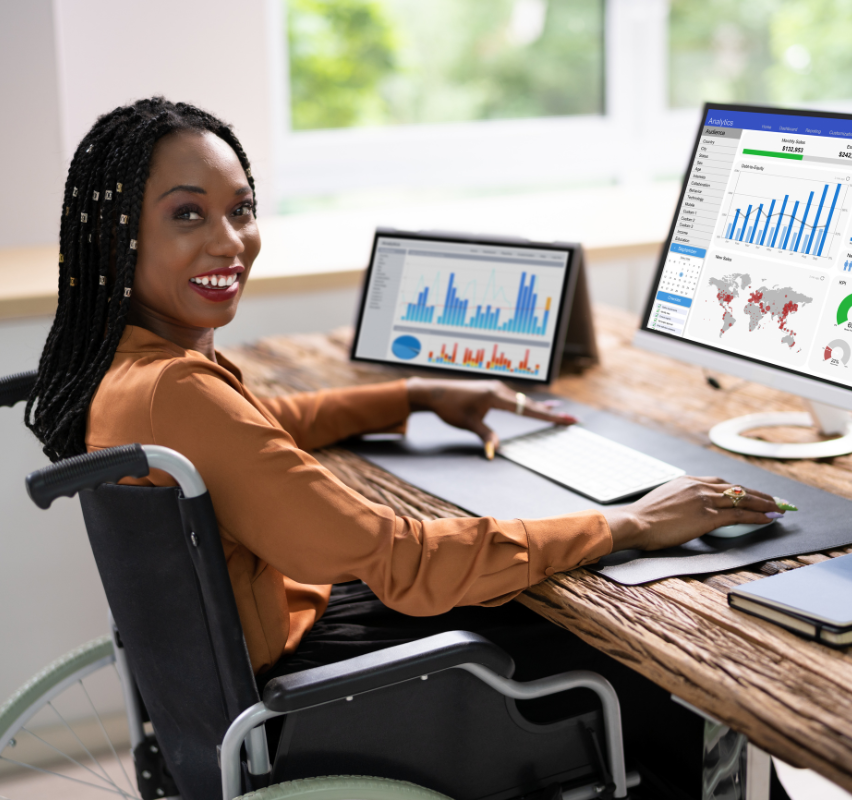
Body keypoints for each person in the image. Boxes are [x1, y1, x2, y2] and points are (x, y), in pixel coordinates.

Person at [27, 98, 782, 794]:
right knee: (646, 665)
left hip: (261, 676)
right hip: (312, 698)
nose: (230, 241)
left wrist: (415, 396)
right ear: (115, 235)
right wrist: (631, 523)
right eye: (188, 214)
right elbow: (401, 559)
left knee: (533, 595)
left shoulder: (128, 371)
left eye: (242, 209)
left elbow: (257, 427)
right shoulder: (177, 392)